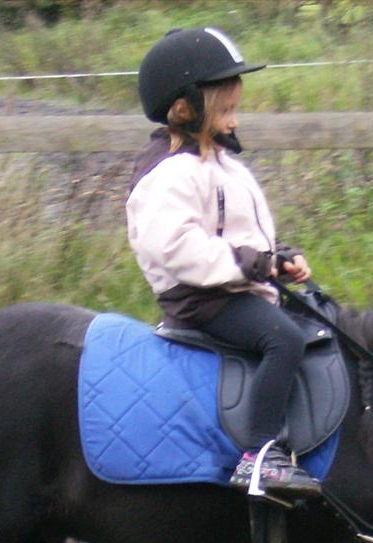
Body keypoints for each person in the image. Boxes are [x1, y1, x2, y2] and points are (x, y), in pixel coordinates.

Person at [126, 26, 321, 500]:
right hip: (203, 297)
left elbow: (239, 234)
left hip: (233, 285)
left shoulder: (220, 163)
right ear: (185, 109)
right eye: (227, 110)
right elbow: (178, 247)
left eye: (235, 110)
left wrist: (281, 256)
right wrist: (257, 265)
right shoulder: (170, 172)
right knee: (283, 339)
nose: (234, 121)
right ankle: (258, 458)